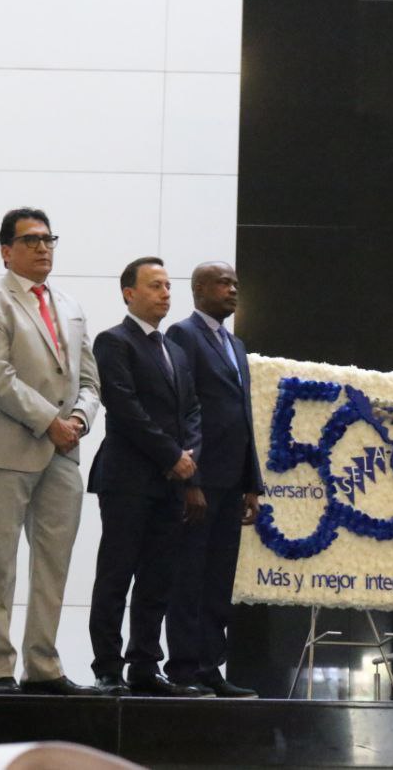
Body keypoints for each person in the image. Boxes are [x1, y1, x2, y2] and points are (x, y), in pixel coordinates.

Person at [0, 208, 101, 696]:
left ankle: (42, 665)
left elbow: (90, 380)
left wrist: (79, 420)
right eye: (31, 240)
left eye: (48, 239)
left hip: (63, 454)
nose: (43, 247)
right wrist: (51, 422)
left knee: (53, 564)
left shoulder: (70, 305)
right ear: (6, 251)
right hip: (5, 450)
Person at [87, 257, 208, 698]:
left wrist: (187, 456)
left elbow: (192, 410)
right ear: (129, 293)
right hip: (128, 478)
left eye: (168, 285)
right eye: (155, 285)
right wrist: (171, 454)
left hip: (170, 482)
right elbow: (124, 408)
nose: (165, 293)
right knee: (116, 574)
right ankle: (107, 668)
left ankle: (144, 665)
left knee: (158, 578)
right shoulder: (113, 342)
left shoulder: (175, 350)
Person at [165, 261, 262, 698]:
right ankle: (183, 667)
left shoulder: (235, 344)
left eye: (236, 283)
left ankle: (210, 668)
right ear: (199, 289)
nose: (233, 290)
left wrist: (251, 482)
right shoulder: (183, 334)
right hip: (200, 480)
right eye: (224, 283)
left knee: (219, 579)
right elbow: (183, 408)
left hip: (232, 479)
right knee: (189, 577)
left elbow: (244, 416)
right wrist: (191, 480)